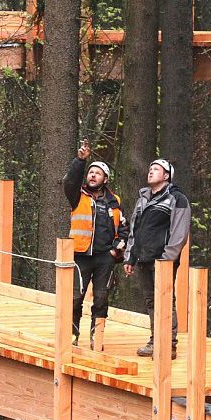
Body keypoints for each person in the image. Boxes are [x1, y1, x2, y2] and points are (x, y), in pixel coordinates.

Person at [123, 159, 191, 358]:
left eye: (156, 169)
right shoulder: (143, 199)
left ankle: (168, 345)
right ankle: (155, 341)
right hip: (143, 258)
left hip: (163, 260)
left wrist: (167, 258)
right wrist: (130, 257)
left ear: (167, 175)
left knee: (166, 300)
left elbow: (179, 233)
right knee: (151, 301)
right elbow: (135, 230)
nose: (151, 171)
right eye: (150, 168)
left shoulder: (177, 199)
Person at [63, 140, 128, 348]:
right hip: (80, 255)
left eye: (97, 173)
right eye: (90, 172)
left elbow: (124, 227)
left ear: (105, 179)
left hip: (104, 258)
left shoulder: (114, 200)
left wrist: (116, 248)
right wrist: (80, 161)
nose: (92, 175)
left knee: (101, 298)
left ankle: (96, 337)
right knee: (75, 297)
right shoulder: (77, 195)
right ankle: (72, 335)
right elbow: (70, 182)